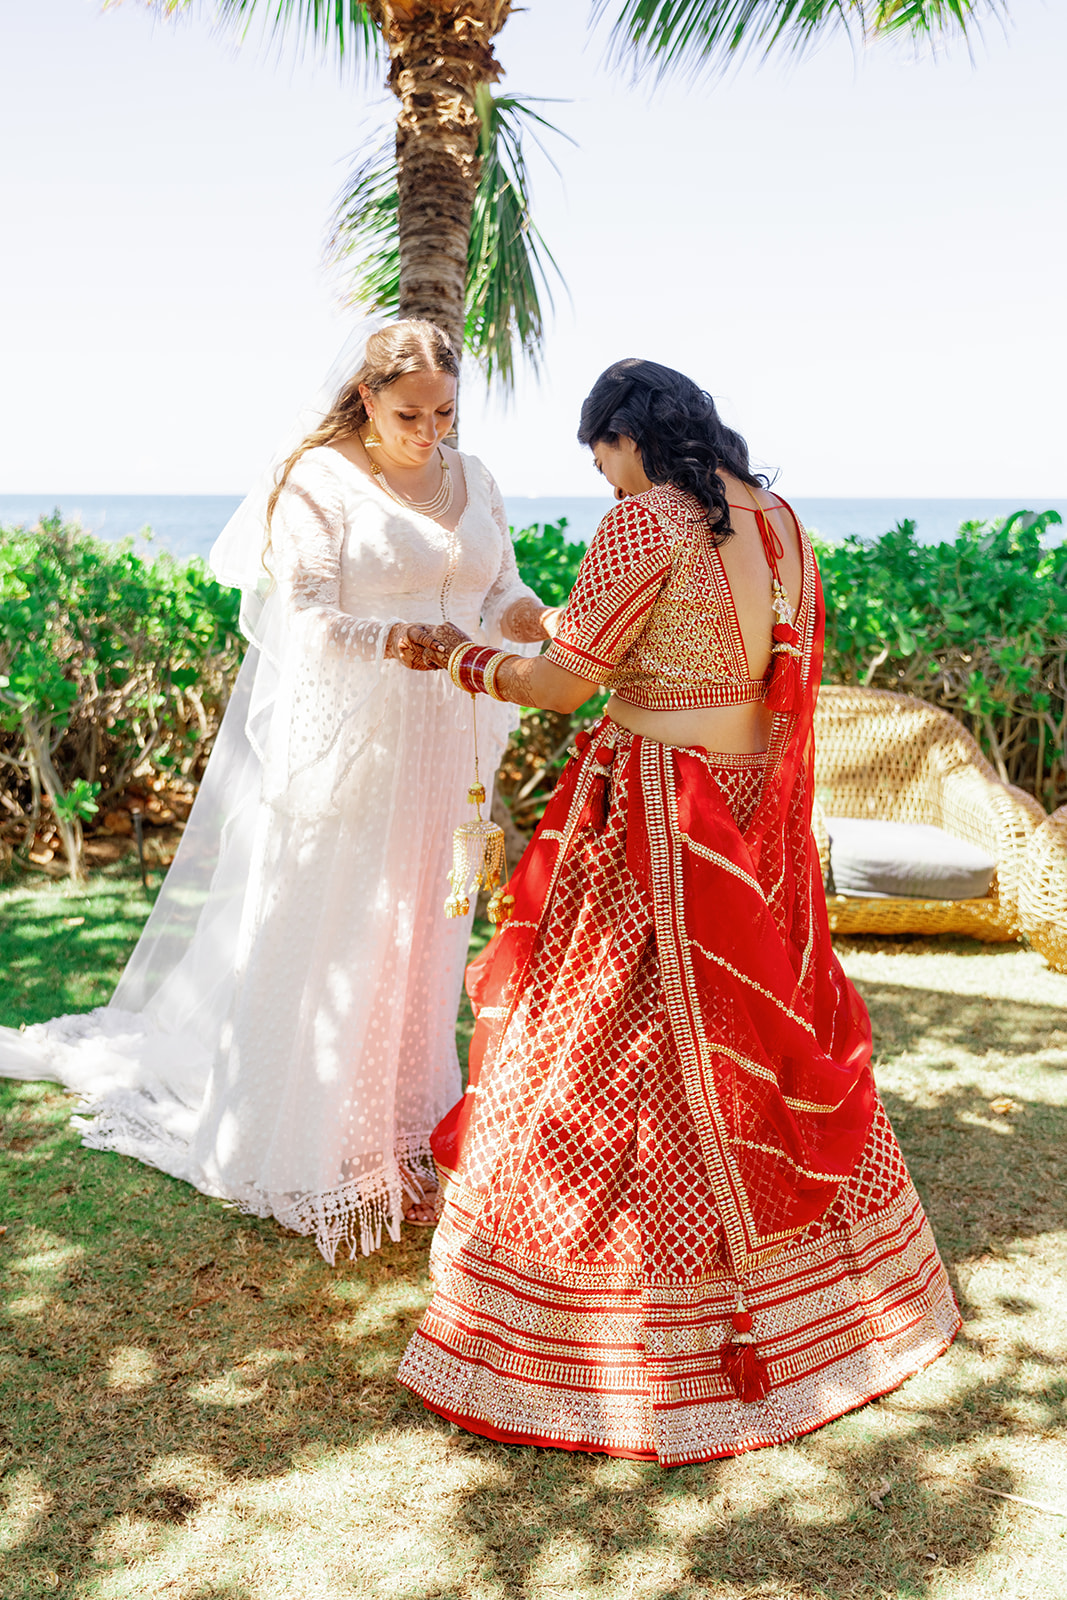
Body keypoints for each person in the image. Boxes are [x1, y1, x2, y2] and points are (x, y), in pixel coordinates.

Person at [397, 358, 960, 1465]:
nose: (602, 483)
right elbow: (727, 665)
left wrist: (457, 659)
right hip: (749, 812)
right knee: (742, 1039)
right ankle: (819, 1304)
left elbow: (566, 684)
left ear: (625, 437)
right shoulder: (779, 520)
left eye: (598, 458)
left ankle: (630, 1320)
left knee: (617, 1050)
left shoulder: (642, 520)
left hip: (657, 814)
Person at [0, 319, 553, 1261]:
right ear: (367, 397)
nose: (430, 433)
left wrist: (544, 616)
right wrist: (393, 641)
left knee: (424, 925)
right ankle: (303, 1139)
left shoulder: (476, 478)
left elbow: (495, 588)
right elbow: (305, 612)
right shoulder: (319, 478)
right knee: (342, 928)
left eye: (446, 413)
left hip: (446, 740)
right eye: (410, 414)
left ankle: (402, 1134)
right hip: (358, 734)